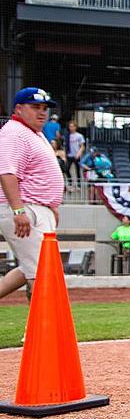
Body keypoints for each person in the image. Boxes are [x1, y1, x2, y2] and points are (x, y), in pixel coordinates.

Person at [0, 88, 63, 302]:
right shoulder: (14, 132)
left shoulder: (34, 133)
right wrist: (18, 210)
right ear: (19, 108)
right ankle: (41, 331)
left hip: (38, 208)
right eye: (35, 107)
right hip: (25, 208)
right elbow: (7, 172)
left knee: (32, 267)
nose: (42, 113)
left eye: (45, 108)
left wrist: (52, 206)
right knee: (42, 271)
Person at [65, 120, 86, 190]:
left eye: (72, 126)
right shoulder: (67, 136)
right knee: (66, 169)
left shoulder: (79, 136)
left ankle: (79, 185)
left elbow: (82, 146)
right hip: (69, 155)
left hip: (76, 155)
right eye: (70, 126)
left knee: (77, 170)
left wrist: (79, 153)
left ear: (75, 127)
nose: (71, 128)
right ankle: (70, 183)